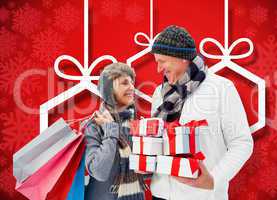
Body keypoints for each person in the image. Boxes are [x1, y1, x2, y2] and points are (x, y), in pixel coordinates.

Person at [149, 25, 254, 200]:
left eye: (162, 61)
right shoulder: (159, 93)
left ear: (182, 58)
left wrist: (214, 180)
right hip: (160, 195)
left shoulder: (221, 89)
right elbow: (157, 143)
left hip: (202, 195)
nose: (159, 69)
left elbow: (242, 143)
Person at [84, 63, 147, 200]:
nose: (132, 87)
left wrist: (147, 168)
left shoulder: (140, 123)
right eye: (125, 83)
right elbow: (99, 171)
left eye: (132, 82)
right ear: (109, 91)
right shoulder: (93, 126)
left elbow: (146, 173)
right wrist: (111, 130)